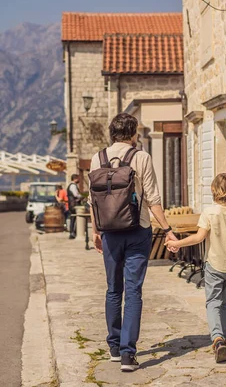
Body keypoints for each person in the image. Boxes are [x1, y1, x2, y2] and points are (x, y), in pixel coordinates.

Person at [89, 113, 179, 372]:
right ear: (131, 133)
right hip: (137, 230)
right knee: (134, 291)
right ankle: (129, 354)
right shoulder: (141, 157)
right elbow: (153, 200)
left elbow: (93, 200)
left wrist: (96, 232)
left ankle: (114, 347)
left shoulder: (98, 158)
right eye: (137, 132)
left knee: (112, 289)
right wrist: (168, 230)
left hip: (109, 232)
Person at [165, 173, 226, 363]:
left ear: (213, 190)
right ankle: (225, 338)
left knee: (213, 302)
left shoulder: (209, 212)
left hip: (214, 265)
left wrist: (178, 244)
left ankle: (217, 339)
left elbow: (199, 237)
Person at [66, 174, 82, 239]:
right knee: (74, 219)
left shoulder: (72, 185)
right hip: (74, 205)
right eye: (78, 178)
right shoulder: (73, 186)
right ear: (75, 179)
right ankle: (72, 233)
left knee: (73, 218)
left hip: (72, 204)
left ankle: (72, 233)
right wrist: (82, 196)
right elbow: (76, 195)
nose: (79, 180)